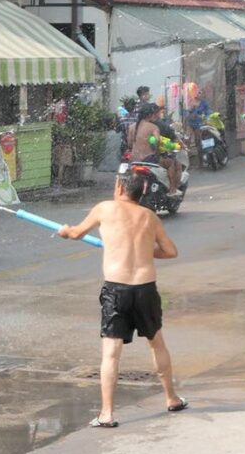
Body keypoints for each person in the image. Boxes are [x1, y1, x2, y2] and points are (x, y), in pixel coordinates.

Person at [57, 170, 186, 428]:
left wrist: (64, 231)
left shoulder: (105, 209)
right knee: (156, 343)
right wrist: (145, 250)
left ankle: (107, 413)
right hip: (146, 288)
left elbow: (76, 234)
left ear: (118, 188)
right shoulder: (149, 217)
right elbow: (171, 251)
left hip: (117, 290)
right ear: (142, 192)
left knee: (111, 353)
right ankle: (171, 398)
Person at [127, 103, 182, 196]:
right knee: (171, 163)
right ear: (149, 115)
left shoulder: (132, 127)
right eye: (154, 114)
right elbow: (157, 142)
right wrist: (158, 151)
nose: (155, 116)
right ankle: (173, 190)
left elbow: (129, 144)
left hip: (134, 160)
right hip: (148, 159)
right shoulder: (153, 127)